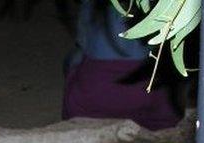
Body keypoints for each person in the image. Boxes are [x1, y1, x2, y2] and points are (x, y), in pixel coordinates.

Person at [62, 0, 182, 131]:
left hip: (94, 94)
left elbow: (82, 42)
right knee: (166, 92)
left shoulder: (92, 5)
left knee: (73, 61)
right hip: (146, 91)